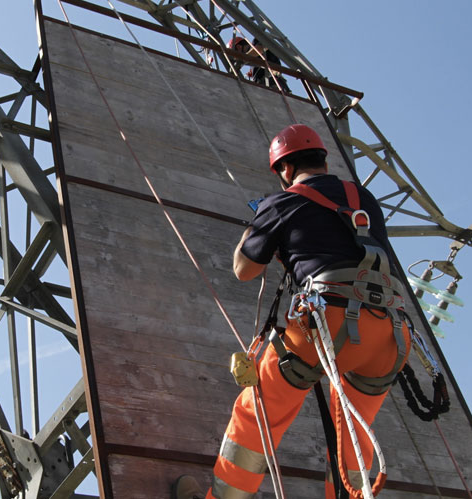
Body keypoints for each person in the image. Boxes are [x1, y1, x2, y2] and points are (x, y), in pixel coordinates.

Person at [173, 124, 410, 499]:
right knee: (353, 444)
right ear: (323, 159)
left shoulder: (282, 202)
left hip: (326, 323)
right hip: (390, 333)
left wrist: (255, 227)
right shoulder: (364, 198)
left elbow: (244, 269)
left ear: (284, 169)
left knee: (257, 417)